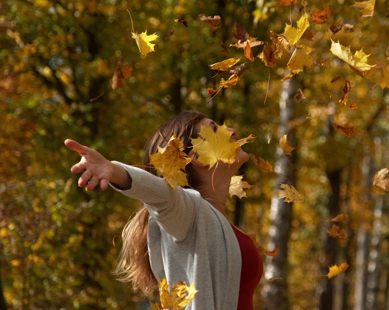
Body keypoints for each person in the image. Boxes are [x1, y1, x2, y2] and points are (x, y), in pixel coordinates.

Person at [64, 110, 263, 310]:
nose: (232, 130)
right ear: (197, 157)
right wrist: (114, 171)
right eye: (215, 129)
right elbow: (161, 195)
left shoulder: (221, 226)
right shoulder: (189, 213)